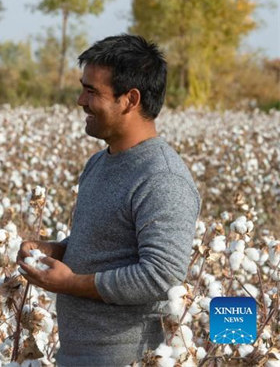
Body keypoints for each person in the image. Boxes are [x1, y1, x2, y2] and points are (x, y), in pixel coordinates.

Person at [17, 34, 200, 366]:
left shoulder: (162, 177)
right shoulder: (100, 163)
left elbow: (161, 275)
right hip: (77, 353)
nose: (80, 101)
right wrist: (54, 250)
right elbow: (106, 242)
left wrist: (70, 283)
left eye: (92, 92)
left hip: (126, 357)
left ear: (129, 99)